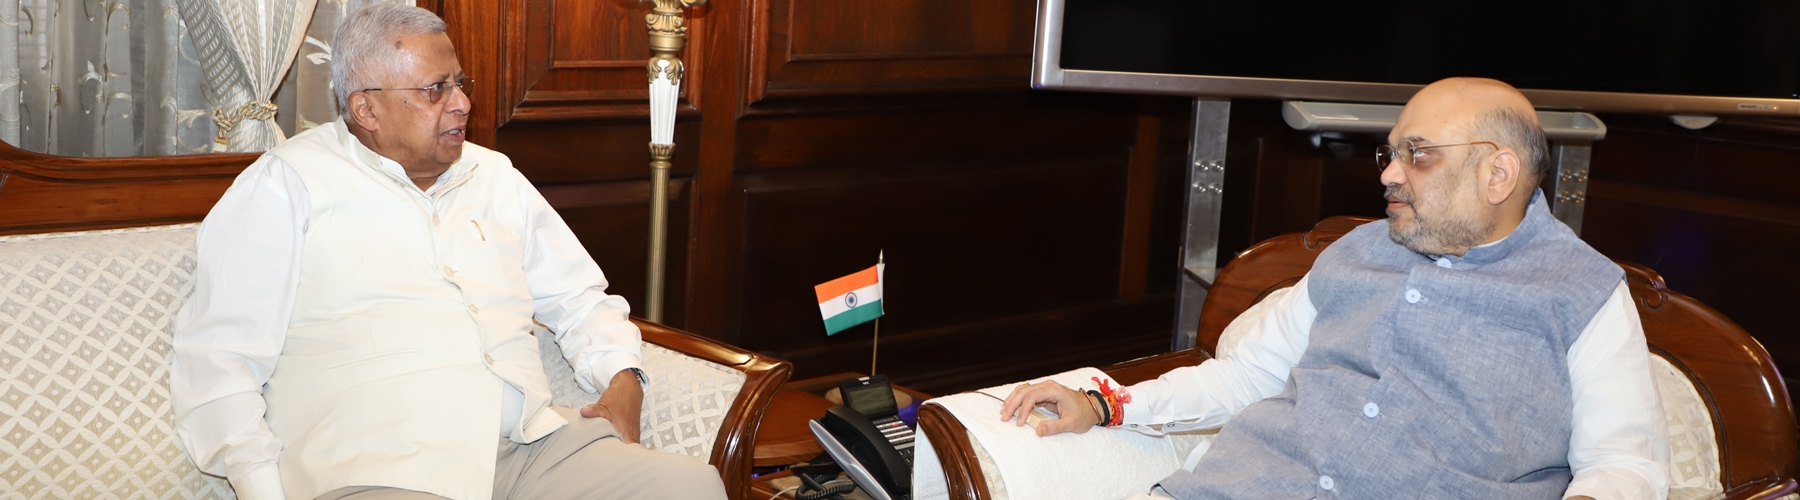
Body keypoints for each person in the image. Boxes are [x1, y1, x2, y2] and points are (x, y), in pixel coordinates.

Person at [1001, 78, 1669, 500]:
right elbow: (1243, 378)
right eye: (1391, 154)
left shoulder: (1583, 292)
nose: (1389, 176)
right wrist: (1104, 403)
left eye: (1419, 153)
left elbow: (1623, 464)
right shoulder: (1357, 253)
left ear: (1498, 174)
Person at [169, 5, 726, 500]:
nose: (461, 104)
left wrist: (623, 376)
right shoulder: (285, 184)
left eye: (460, 83)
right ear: (365, 109)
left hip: (527, 452)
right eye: (435, 90)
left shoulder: (495, 175)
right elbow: (220, 362)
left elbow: (579, 298)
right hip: (378, 472)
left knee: (689, 486)